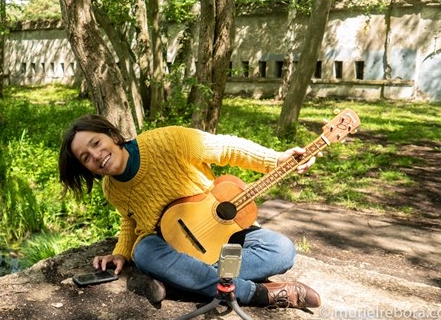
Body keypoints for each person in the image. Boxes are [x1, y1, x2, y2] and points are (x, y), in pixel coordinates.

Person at [58, 114, 320, 309]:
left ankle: (177, 281)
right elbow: (130, 221)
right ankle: (256, 294)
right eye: (85, 157)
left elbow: (227, 148)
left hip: (217, 233)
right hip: (170, 244)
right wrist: (121, 253)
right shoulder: (111, 188)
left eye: (96, 142)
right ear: (88, 169)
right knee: (145, 251)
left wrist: (275, 159)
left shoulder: (168, 140)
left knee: (281, 250)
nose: (96, 155)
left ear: (112, 135)